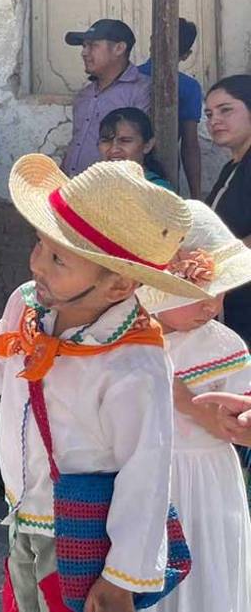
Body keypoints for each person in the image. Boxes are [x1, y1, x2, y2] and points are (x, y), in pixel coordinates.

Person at [0, 155, 203, 612]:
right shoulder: (28, 307)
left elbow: (145, 471)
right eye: (39, 245)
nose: (36, 265)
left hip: (85, 543)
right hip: (24, 521)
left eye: (57, 259)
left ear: (117, 286)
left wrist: (121, 577)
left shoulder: (135, 362)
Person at [136, 200, 251, 612]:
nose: (214, 307)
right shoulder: (125, 340)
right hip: (146, 479)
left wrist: (191, 404)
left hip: (207, 484)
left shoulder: (224, 345)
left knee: (206, 577)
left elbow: (239, 421)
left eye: (220, 294)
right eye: (199, 293)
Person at [61, 19, 152, 177]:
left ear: (119, 48)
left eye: (93, 45)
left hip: (114, 193)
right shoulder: (84, 95)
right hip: (73, 188)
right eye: (84, 46)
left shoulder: (142, 91)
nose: (84, 52)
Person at [205, 75, 251, 344]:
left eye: (226, 110)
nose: (214, 121)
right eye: (209, 114)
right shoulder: (232, 167)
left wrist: (216, 264)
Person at [138, 18, 203, 198]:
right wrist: (197, 196)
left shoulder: (129, 77)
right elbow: (190, 144)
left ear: (151, 41)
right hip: (166, 171)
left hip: (126, 165)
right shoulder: (189, 87)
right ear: (186, 55)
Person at [97, 108, 171, 189]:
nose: (114, 149)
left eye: (125, 140)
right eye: (106, 140)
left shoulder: (158, 190)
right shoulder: (92, 185)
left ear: (148, 145)